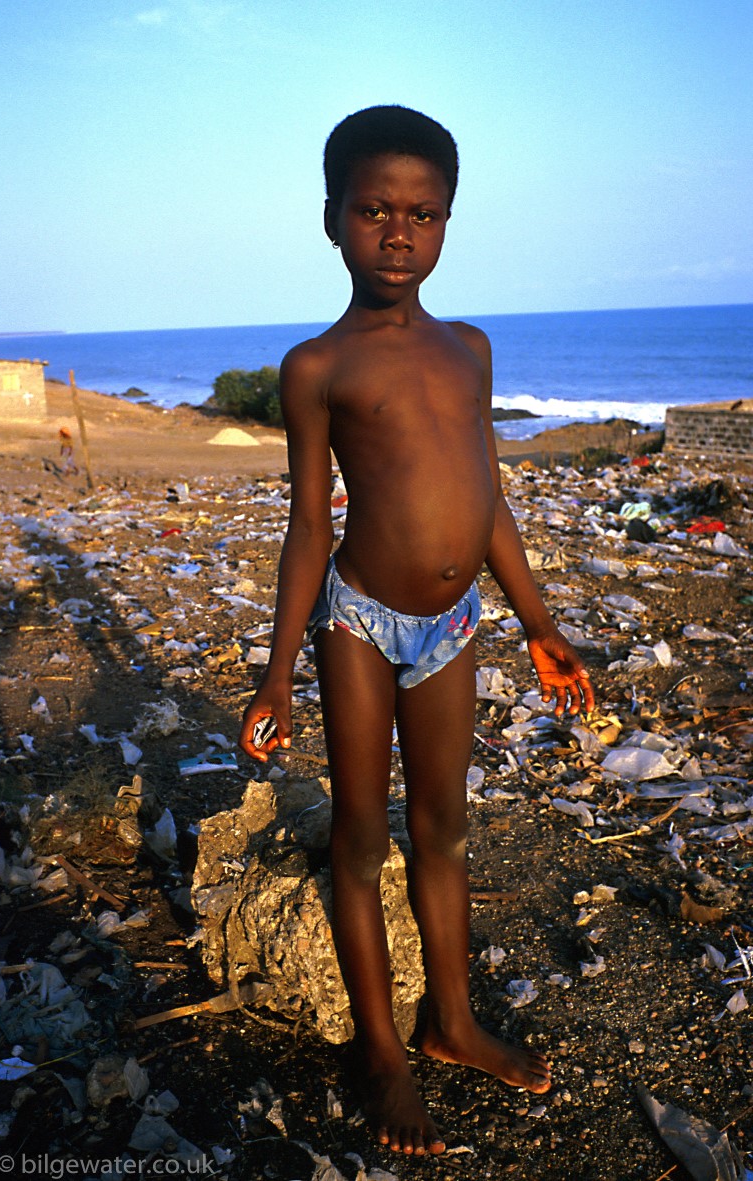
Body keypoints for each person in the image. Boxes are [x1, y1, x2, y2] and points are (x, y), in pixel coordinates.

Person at [239, 104, 594, 1157]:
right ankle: (384, 1056)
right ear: (332, 219)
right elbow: (312, 524)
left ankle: (453, 1021)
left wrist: (539, 621)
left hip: (453, 623)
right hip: (355, 620)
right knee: (359, 837)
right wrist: (275, 678)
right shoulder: (318, 367)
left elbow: (487, 499)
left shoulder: (470, 349)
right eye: (375, 210)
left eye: (423, 212)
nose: (399, 232)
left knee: (442, 825)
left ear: (447, 222)